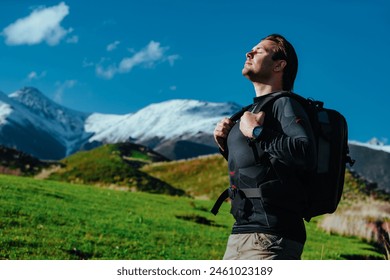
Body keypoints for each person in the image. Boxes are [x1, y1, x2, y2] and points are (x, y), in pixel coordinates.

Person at [213, 34, 316, 260]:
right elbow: (260, 168)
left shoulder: (285, 104)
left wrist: (257, 132)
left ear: (279, 65)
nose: (248, 53)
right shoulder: (248, 111)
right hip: (241, 232)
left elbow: (305, 152)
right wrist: (225, 146)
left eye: (259, 51)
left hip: (272, 236)